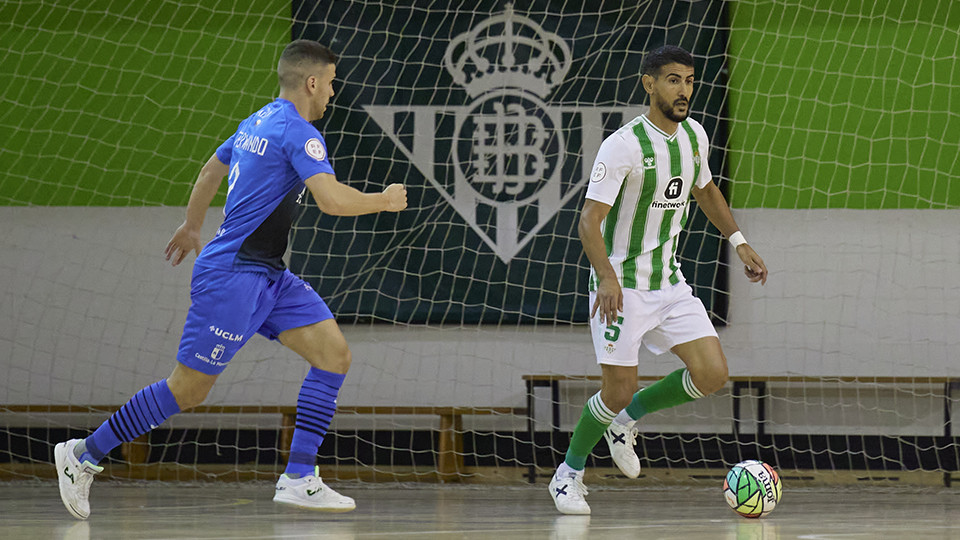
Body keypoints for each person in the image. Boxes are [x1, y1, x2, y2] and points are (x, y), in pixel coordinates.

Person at [54, 39, 407, 520]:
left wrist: (193, 225)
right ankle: (83, 455)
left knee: (334, 355)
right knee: (189, 390)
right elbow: (332, 200)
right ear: (311, 81)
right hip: (234, 277)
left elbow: (209, 170)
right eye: (330, 82)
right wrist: (384, 201)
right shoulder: (300, 133)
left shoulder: (254, 122)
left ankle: (300, 477)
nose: (332, 93)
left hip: (269, 276)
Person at [548, 45, 767, 515]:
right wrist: (606, 278)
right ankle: (568, 474)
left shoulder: (694, 136)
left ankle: (626, 421)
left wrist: (739, 240)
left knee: (712, 374)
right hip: (621, 287)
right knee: (617, 388)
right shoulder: (623, 145)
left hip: (669, 283)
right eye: (673, 80)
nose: (684, 89)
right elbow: (589, 221)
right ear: (650, 84)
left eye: (689, 80)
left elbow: (704, 189)